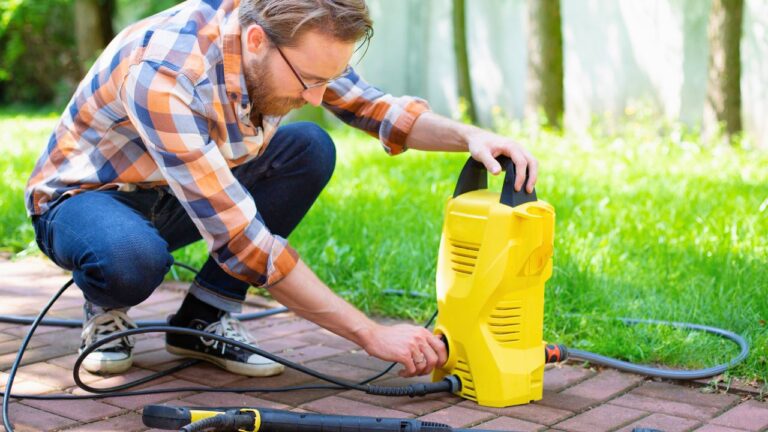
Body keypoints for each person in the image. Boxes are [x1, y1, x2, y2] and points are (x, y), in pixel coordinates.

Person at [25, 0, 538, 379]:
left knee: (309, 146)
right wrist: (369, 333)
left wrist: (470, 137)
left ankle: (204, 316)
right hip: (87, 199)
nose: (318, 97)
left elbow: (376, 109)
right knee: (131, 257)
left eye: (327, 80)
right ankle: (106, 307)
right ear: (255, 42)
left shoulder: (289, 39)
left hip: (176, 192)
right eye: (309, 80)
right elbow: (243, 241)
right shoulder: (164, 73)